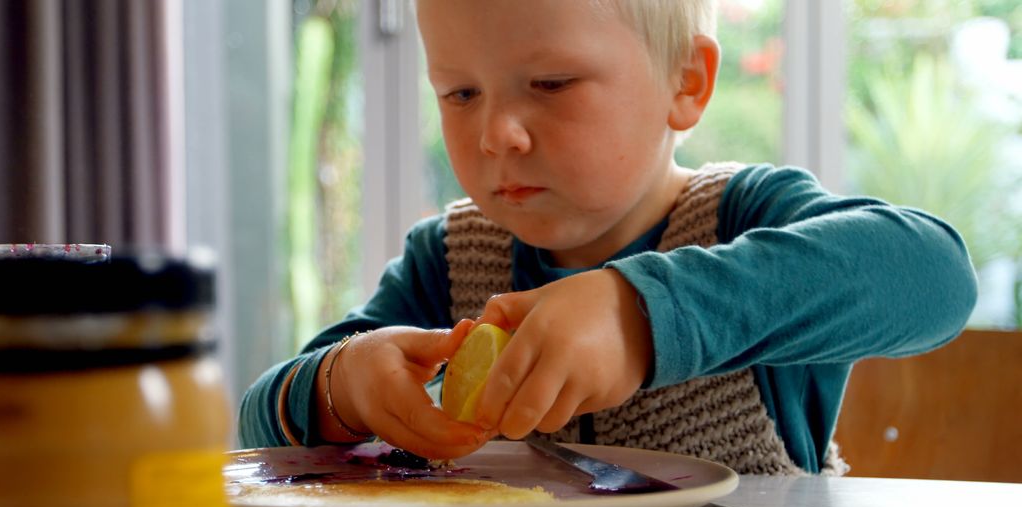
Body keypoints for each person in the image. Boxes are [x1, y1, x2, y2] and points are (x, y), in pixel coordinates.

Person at [237, 0, 977, 474]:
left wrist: (641, 316)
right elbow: (258, 421)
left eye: (552, 83)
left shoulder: (747, 218)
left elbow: (935, 275)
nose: (497, 133)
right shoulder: (447, 261)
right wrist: (341, 385)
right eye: (460, 93)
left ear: (686, 81)